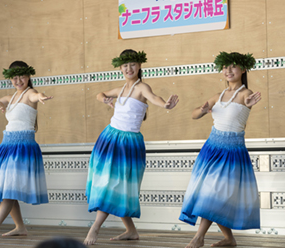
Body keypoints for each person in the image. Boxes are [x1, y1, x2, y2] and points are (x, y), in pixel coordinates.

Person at [84, 49, 179, 245]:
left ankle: (95, 228)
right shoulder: (120, 90)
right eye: (125, 65)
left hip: (128, 144)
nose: (129, 68)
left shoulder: (142, 87)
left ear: (140, 66)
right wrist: (104, 99)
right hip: (109, 138)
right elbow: (99, 94)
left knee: (116, 184)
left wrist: (165, 105)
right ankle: (131, 231)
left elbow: (154, 98)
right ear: (120, 68)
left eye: (133, 64)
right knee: (111, 183)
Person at [179, 52, 261, 248]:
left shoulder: (245, 94)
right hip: (211, 149)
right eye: (225, 67)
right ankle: (229, 239)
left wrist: (248, 105)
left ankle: (198, 237)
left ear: (243, 69)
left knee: (214, 193)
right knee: (211, 194)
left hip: (231, 152)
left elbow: (247, 104)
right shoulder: (218, 95)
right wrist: (203, 109)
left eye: (233, 66)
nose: (228, 70)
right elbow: (194, 115)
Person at [0, 61, 52, 240]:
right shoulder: (11, 97)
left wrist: (41, 97)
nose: (18, 80)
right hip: (7, 145)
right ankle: (20, 227)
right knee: (8, 189)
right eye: (14, 77)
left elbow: (36, 96)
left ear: (28, 77)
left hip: (23, 147)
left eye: (22, 76)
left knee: (9, 190)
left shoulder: (31, 93)